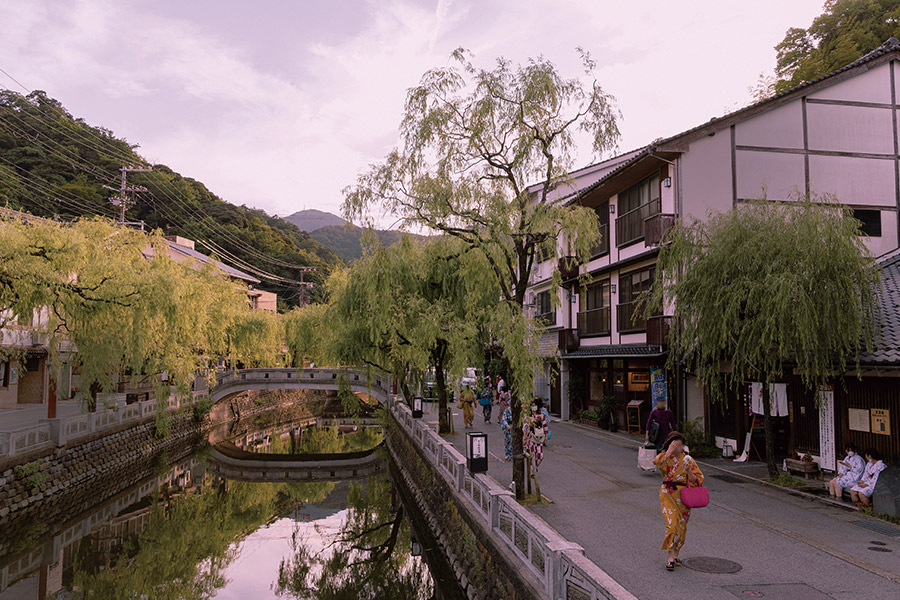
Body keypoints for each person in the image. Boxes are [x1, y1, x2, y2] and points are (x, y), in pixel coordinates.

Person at [653, 431, 704, 571]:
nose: (678, 447)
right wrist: (669, 451)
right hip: (667, 494)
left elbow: (698, 480)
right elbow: (657, 462)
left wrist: (688, 470)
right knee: (672, 526)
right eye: (675, 444)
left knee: (681, 528)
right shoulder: (665, 458)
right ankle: (670, 557)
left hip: (683, 496)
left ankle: (676, 554)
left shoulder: (688, 459)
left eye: (680, 445)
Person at [523, 399, 549, 468]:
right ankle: (532, 471)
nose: (533, 407)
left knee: (540, 456)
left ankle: (535, 468)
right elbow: (525, 427)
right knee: (532, 455)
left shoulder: (541, 416)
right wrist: (524, 437)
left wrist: (546, 436)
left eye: (534, 405)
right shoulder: (528, 416)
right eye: (532, 405)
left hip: (539, 437)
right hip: (530, 438)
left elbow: (545, 426)